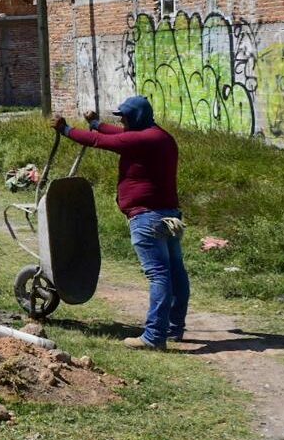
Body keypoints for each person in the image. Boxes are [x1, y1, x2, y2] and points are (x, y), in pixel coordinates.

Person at [54, 95, 187, 350]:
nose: (122, 121)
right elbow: (118, 135)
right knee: (175, 273)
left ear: (135, 117)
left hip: (148, 218)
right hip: (168, 215)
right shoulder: (158, 135)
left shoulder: (142, 139)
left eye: (124, 116)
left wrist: (66, 130)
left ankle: (153, 337)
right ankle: (173, 328)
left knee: (159, 275)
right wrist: (96, 123)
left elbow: (100, 141)